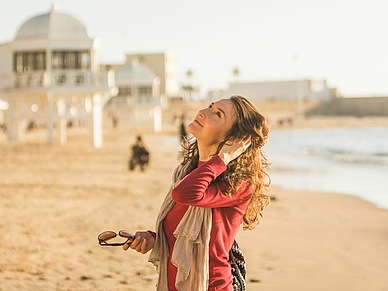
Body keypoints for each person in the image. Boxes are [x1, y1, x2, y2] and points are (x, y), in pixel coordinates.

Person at [123, 95, 271, 290]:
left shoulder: (238, 184)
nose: (203, 112)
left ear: (234, 140)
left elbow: (185, 194)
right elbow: (185, 235)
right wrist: (155, 239)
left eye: (217, 114)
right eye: (211, 106)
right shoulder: (186, 172)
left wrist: (223, 157)